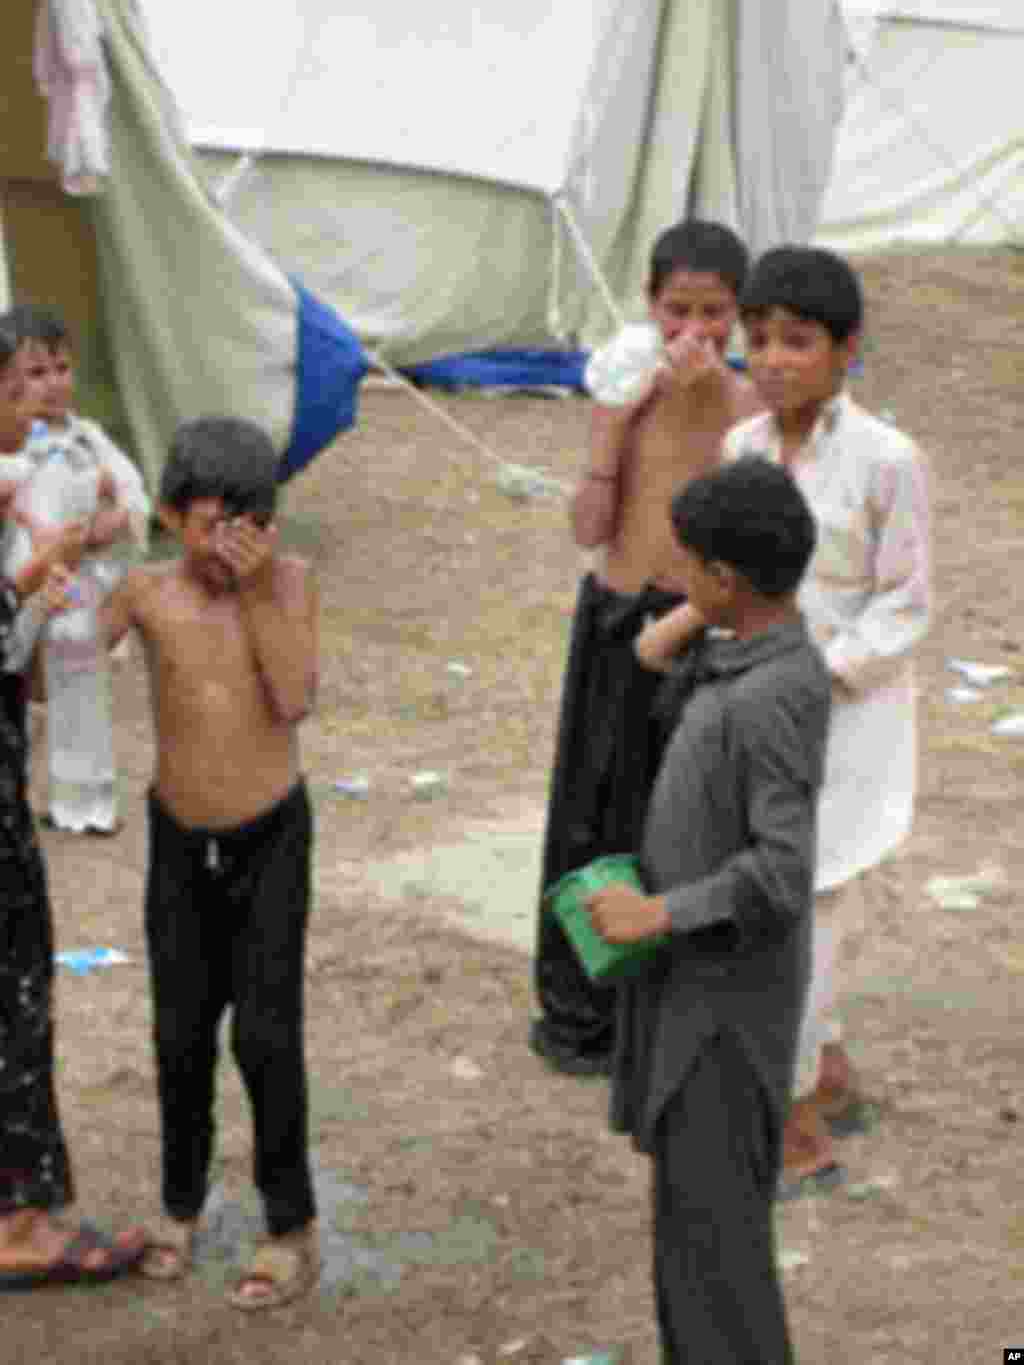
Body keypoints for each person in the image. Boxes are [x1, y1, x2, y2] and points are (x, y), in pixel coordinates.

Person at [587, 456, 830, 1364]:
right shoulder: (738, 653)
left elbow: (780, 871)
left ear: (729, 579)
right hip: (693, 1000)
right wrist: (715, 597)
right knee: (692, 1237)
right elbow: (648, 652)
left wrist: (658, 915)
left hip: (725, 1019)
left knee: (718, 1251)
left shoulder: (773, 693)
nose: (671, 579)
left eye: (689, 563)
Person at [530, 219, 762, 1077]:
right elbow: (590, 527)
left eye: (712, 315)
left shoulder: (747, 408)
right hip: (618, 616)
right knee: (591, 814)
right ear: (649, 305)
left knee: (683, 821)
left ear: (737, 318)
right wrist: (609, 437)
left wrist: (718, 403)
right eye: (677, 312)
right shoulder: (626, 389)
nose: (692, 334)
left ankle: (666, 1011)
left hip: (700, 627)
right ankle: (578, 1008)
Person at [100, 417, 321, 1309]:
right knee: (179, 1032)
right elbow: (64, 662)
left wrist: (261, 587)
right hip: (179, 838)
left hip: (270, 835)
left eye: (244, 528)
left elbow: (293, 696)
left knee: (266, 1036)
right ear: (166, 517)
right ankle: (180, 1202)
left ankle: (288, 1222)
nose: (222, 548)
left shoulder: (291, 584)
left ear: (270, 525)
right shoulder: (149, 592)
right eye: (203, 526)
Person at [727, 245, 931, 1194]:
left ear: (846, 349)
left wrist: (824, 672)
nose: (773, 360)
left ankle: (797, 1120)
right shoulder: (743, 451)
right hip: (761, 709)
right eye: (758, 340)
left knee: (809, 906)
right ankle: (829, 1070)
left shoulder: (890, 461)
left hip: (850, 722)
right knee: (781, 897)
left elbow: (905, 604)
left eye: (797, 341)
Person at [0, 321, 147, 1289]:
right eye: (26, 377)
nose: (44, 390)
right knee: (10, 974)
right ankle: (19, 1218)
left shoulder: (77, 453)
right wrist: (28, 572)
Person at [5, 304, 150, 836]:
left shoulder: (87, 437)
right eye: (35, 373)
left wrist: (114, 520)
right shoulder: (12, 448)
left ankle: (84, 800)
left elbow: (134, 495)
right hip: (21, 587)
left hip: (75, 589)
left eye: (61, 369)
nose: (51, 384)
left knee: (76, 671)